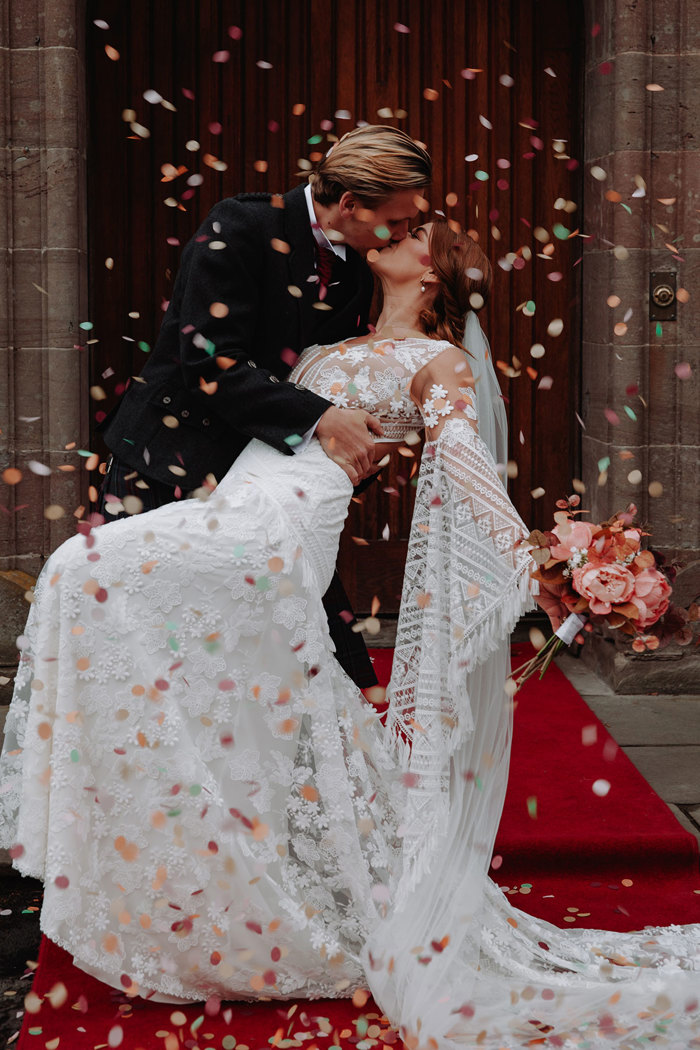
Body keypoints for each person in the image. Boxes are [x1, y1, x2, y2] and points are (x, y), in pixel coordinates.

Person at [1, 222, 698, 1049]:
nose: (398, 234)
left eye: (415, 233)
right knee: (180, 651)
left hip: (284, 526)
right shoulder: (327, 342)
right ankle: (206, 874)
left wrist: (539, 560)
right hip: (233, 504)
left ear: (431, 268)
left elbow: (467, 463)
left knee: (88, 570)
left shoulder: (440, 362)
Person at [96, 124, 432, 691]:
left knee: (308, 651)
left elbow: (313, 367)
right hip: (167, 462)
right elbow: (207, 360)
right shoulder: (240, 224)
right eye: (396, 220)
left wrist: (342, 453)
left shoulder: (355, 262)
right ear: (349, 203)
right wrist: (321, 419)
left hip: (261, 479)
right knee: (143, 645)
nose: (402, 231)